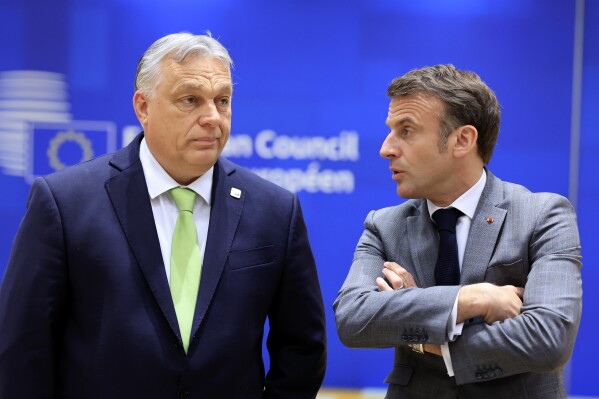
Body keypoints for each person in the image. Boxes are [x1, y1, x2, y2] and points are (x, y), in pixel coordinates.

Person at [0, 32, 326, 398]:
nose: (212, 118)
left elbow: (302, 348)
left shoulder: (275, 210)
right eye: (190, 100)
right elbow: (22, 347)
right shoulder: (65, 202)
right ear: (143, 107)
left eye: (223, 100)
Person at [333, 64, 582, 398]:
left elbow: (548, 339)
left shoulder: (544, 215)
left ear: (462, 140)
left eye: (406, 131)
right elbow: (354, 320)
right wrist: (471, 299)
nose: (386, 148)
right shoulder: (384, 225)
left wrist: (422, 333)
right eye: (390, 130)